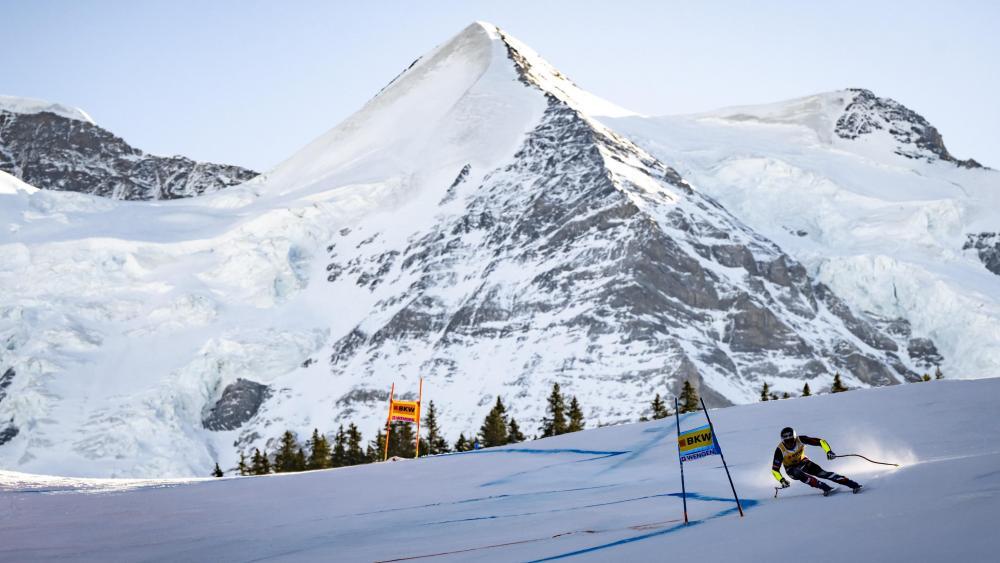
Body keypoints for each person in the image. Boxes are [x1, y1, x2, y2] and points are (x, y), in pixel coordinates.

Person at [772, 427, 862, 495]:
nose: (790, 444)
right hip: (790, 469)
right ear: (783, 441)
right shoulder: (780, 450)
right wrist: (782, 480)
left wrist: (828, 451)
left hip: (803, 462)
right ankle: (822, 486)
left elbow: (821, 442)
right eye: (786, 441)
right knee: (798, 473)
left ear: (795, 438)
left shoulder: (801, 439)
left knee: (822, 473)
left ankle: (851, 483)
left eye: (791, 440)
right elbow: (775, 470)